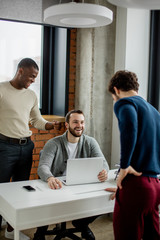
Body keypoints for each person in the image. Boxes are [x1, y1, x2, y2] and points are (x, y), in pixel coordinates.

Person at [0, 58, 59, 240]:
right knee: (0, 188)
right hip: (4, 147)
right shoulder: (1, 89)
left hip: (26, 147)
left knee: (20, 190)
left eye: (35, 78)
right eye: (32, 76)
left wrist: (51, 125)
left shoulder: (31, 95)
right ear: (20, 71)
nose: (34, 80)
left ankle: (11, 230)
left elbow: (36, 120)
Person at [33, 109, 109, 240]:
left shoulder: (90, 142)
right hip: (57, 187)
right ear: (67, 125)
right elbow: (43, 167)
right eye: (75, 122)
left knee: (103, 199)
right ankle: (40, 231)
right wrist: (50, 178)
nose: (79, 125)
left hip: (80, 186)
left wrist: (104, 172)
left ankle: (82, 224)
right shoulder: (53, 143)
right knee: (44, 204)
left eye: (82, 122)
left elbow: (104, 164)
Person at [107, 70, 160, 240]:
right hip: (155, 185)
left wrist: (124, 166)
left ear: (116, 89)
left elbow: (129, 127)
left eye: (113, 96)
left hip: (136, 185)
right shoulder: (154, 111)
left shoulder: (124, 103)